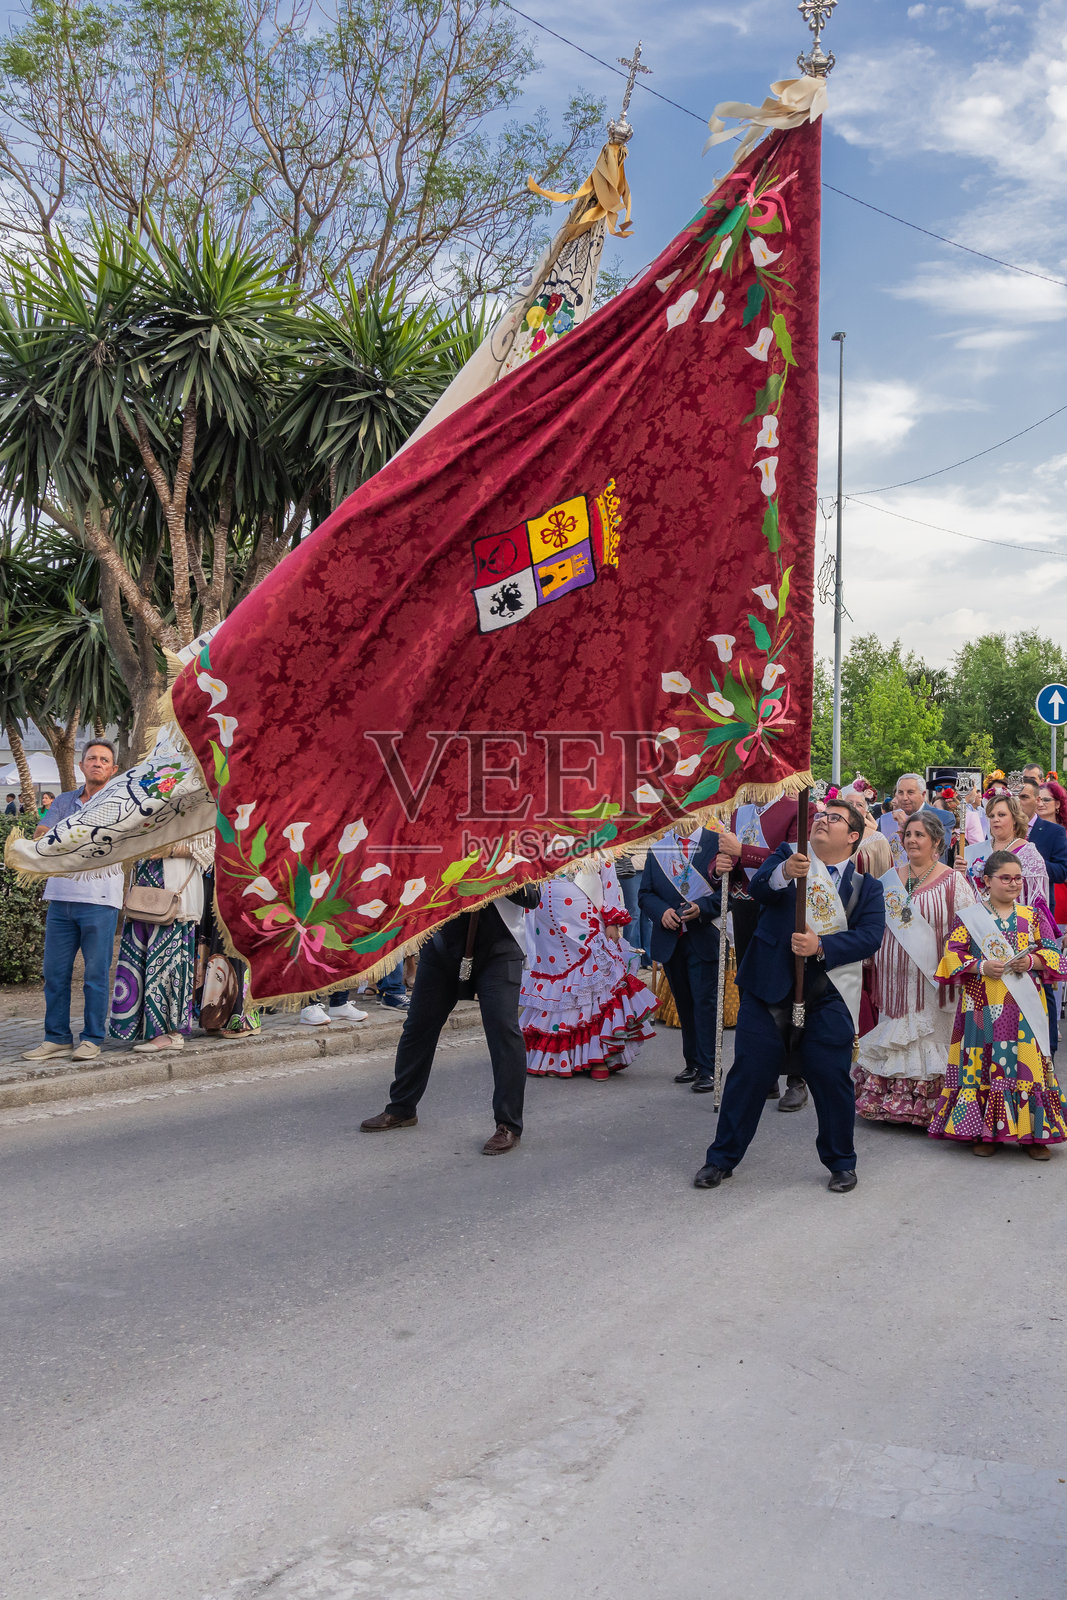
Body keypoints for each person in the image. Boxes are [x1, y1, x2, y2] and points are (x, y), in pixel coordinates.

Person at [694, 798, 885, 1194]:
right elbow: (761, 888)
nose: (822, 821)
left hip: (828, 993)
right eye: (820, 816)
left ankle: (841, 1162)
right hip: (768, 986)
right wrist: (783, 872)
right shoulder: (789, 855)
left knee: (832, 1079)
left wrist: (821, 945)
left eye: (834, 819)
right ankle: (721, 1159)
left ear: (853, 836)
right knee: (748, 1075)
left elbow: (870, 937)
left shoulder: (867, 887)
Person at [360, 885, 540, 1153]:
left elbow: (531, 897)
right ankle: (401, 1108)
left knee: (503, 1030)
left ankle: (508, 1125)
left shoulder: (517, 845)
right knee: (418, 1027)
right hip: (442, 946)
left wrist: (489, 874)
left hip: (499, 949)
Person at [929, 849, 1067, 1157]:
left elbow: (1055, 956)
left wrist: (1031, 960)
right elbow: (952, 956)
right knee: (982, 1064)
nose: (1014, 884)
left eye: (1018, 878)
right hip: (981, 1004)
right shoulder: (970, 918)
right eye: (1006, 878)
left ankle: (1035, 1134)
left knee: (1028, 1064)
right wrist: (979, 966)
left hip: (1024, 1007)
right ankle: (985, 1133)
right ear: (987, 881)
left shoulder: (1034, 916)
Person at [853, 813, 976, 1126]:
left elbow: (968, 929)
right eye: (908, 834)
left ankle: (930, 1108)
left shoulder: (952, 881)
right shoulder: (890, 880)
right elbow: (874, 923)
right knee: (895, 1036)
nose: (912, 840)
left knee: (929, 1038)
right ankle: (888, 1104)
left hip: (933, 979)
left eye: (919, 835)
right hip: (893, 980)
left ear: (936, 841)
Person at [21, 741, 123, 1064]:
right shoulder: (64, 800)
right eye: (91, 758)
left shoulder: (120, 801)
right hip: (60, 899)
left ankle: (92, 1038)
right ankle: (57, 1037)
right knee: (54, 973)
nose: (97, 763)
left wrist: (64, 841)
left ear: (113, 769)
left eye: (104, 760)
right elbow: (41, 832)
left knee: (95, 975)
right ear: (81, 765)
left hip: (101, 900)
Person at [521, 856, 656, 1079]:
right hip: (548, 935)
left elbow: (609, 882)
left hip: (586, 926)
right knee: (559, 992)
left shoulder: (599, 841)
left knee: (593, 987)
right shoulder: (543, 836)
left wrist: (611, 921)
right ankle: (556, 1057)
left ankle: (598, 1056)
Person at [716, 797, 805, 1108]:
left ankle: (796, 1075)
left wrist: (744, 852)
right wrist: (720, 864)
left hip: (783, 907)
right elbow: (723, 861)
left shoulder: (796, 806)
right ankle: (763, 1072)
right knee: (753, 990)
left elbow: (798, 859)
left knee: (792, 990)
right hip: (745, 906)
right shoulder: (737, 812)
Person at [640, 823, 727, 1094]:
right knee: (684, 1003)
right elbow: (645, 894)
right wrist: (661, 911)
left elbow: (729, 892)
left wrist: (703, 907)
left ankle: (710, 1067)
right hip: (670, 937)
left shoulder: (719, 843)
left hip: (703, 934)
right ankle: (692, 1062)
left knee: (705, 1003)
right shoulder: (659, 847)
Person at [108, 847, 205, 1052]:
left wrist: (169, 850)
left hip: (173, 893)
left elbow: (209, 847)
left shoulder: (195, 814)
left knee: (167, 961)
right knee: (136, 958)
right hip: (143, 888)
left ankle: (170, 1034)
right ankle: (142, 1028)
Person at [878, 773, 956, 866]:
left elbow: (939, 849)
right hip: (895, 877)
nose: (904, 798)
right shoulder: (885, 820)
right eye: (900, 792)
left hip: (931, 876)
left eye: (910, 792)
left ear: (923, 794)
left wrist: (905, 826)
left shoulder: (943, 817)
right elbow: (879, 853)